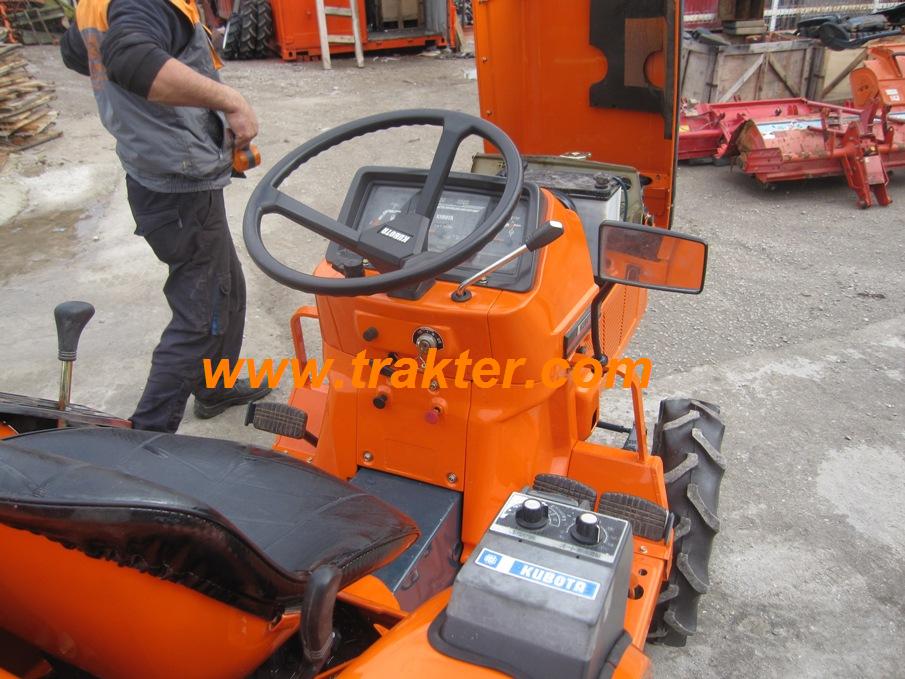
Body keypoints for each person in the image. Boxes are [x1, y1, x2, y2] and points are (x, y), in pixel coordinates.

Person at [60, 0, 270, 432]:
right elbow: (133, 59)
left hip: (164, 173)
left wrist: (140, 112)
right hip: (178, 187)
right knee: (201, 316)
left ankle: (215, 386)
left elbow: (75, 50)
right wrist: (231, 100)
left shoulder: (101, 5)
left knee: (227, 288)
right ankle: (148, 435)